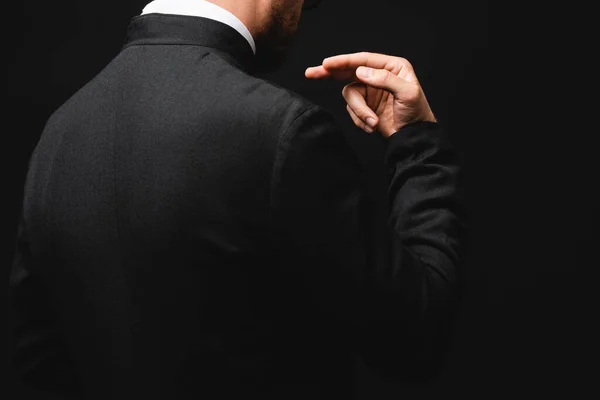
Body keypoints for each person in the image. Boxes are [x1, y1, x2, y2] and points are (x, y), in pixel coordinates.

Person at [9, 0, 468, 399]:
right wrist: (417, 144)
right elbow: (415, 338)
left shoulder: (58, 134)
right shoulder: (281, 131)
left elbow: (37, 355)